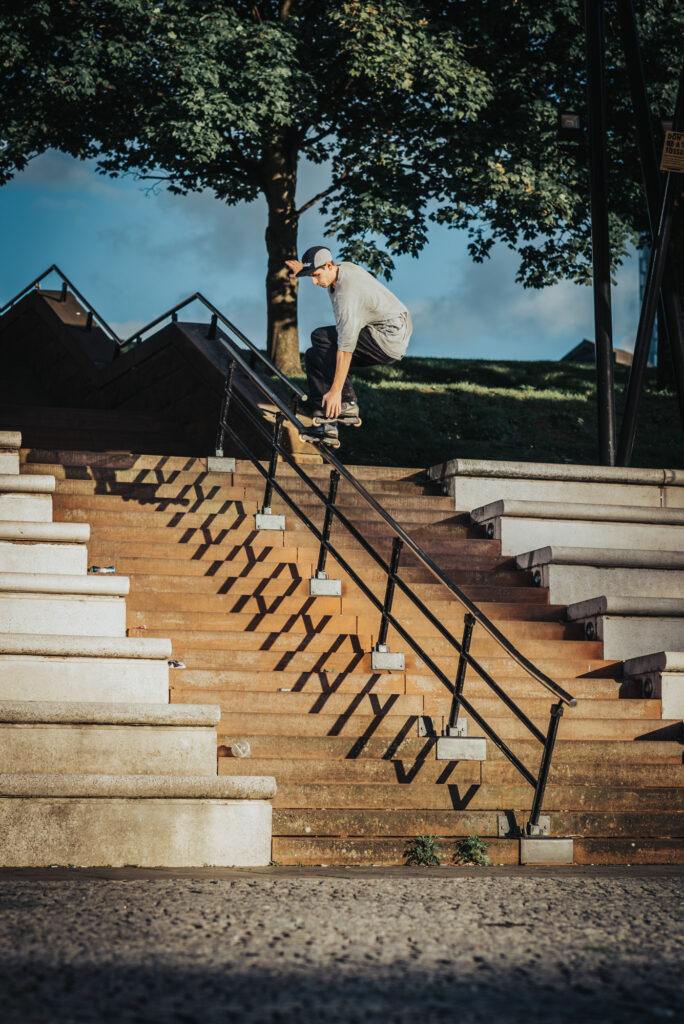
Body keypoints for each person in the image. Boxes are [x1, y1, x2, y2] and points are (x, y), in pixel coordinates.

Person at [286, 246, 412, 444]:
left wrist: (337, 392)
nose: (314, 281)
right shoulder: (337, 269)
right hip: (381, 334)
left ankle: (347, 403)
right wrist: (304, 269)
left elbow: (345, 348)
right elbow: (321, 264)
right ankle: (327, 426)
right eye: (311, 276)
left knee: (322, 338)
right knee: (314, 356)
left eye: (316, 275)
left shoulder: (347, 293)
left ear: (329, 266)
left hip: (387, 338)